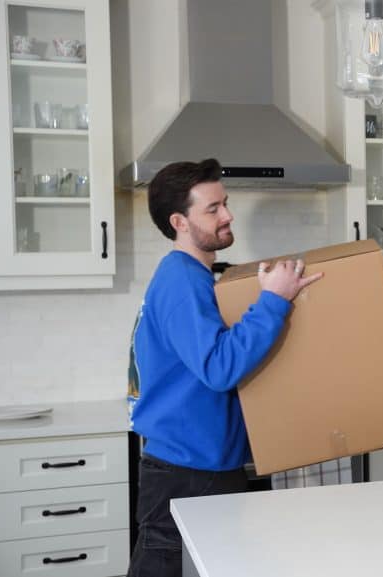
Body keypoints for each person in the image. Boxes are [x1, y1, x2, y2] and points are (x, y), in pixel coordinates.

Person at [127, 159, 322, 577]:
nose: (228, 215)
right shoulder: (181, 281)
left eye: (225, 203)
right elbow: (218, 367)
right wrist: (272, 302)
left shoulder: (198, 276)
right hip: (189, 470)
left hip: (206, 463)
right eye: (213, 209)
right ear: (179, 221)